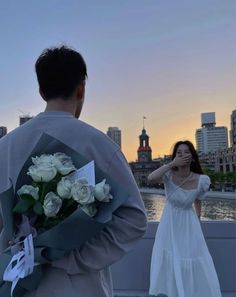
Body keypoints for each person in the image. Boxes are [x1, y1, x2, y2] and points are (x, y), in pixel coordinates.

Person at [0, 45, 147, 297]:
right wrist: (69, 258)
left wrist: (17, 251)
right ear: (81, 89)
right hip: (79, 286)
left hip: (15, 283)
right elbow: (134, 220)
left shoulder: (5, 146)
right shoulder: (100, 144)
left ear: (41, 90)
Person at [148, 140, 222, 297]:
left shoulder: (202, 180)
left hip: (189, 224)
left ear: (193, 157)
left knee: (190, 257)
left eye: (186, 152)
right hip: (169, 223)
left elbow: (198, 200)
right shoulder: (168, 175)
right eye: (178, 153)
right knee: (170, 258)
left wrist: (198, 220)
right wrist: (171, 164)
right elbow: (151, 178)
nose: (182, 155)